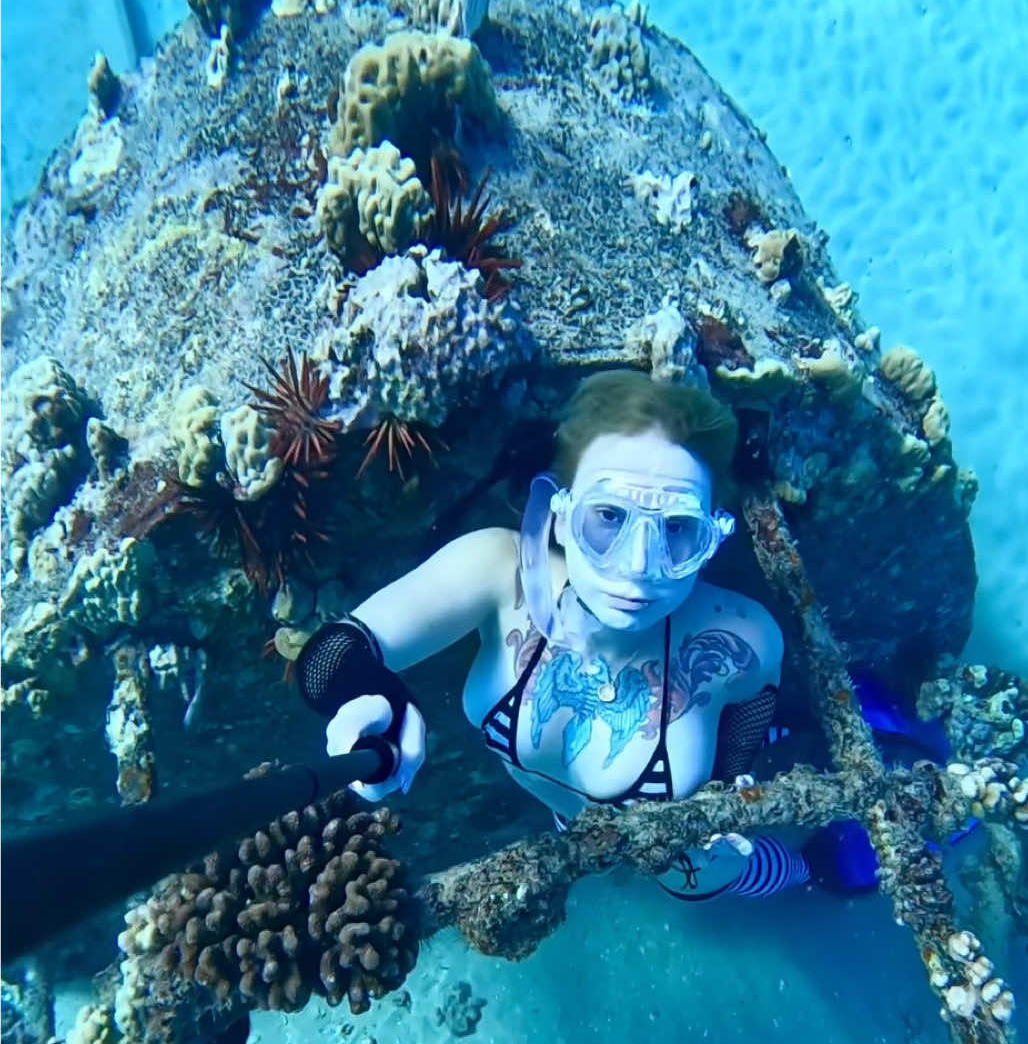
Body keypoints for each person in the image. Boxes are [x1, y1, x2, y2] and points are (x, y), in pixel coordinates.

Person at [295, 369, 811, 900]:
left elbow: (733, 767)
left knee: (726, 880)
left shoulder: (743, 639)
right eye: (608, 516)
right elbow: (331, 656)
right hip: (566, 822)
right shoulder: (495, 568)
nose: (638, 567)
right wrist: (382, 699)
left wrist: (721, 823)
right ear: (559, 517)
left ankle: (810, 865)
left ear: (711, 537)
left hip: (677, 854)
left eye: (678, 529)